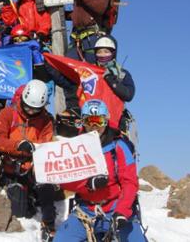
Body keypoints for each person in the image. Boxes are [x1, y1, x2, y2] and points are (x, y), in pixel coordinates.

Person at [54, 100, 146, 242]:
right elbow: (67, 181)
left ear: (106, 120)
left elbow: (130, 183)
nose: (94, 127)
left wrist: (122, 211)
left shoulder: (119, 146)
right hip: (86, 210)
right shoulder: (75, 147)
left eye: (99, 121)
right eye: (89, 122)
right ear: (82, 122)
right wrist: (88, 184)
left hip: (116, 208)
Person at [0, 80, 58, 242]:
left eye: (35, 109)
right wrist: (18, 146)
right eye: (27, 107)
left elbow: (45, 144)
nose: (30, 112)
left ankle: (49, 224)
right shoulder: (8, 113)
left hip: (34, 166)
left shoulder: (46, 120)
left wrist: (35, 154)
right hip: (11, 167)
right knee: (19, 209)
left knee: (46, 188)